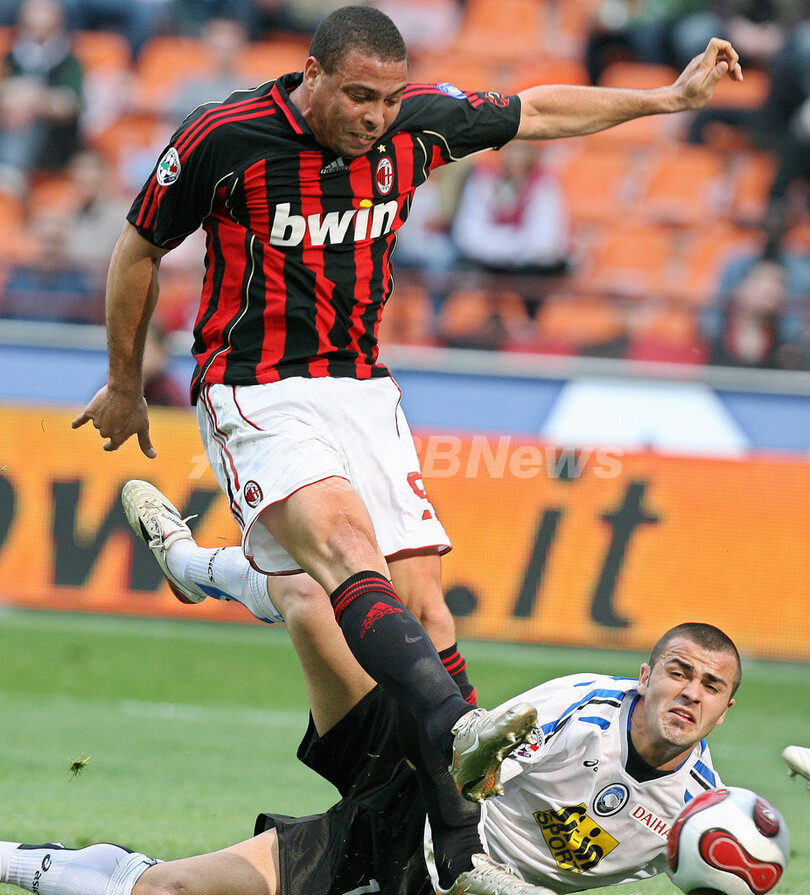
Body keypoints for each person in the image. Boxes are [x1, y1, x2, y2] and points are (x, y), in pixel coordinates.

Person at [70, 0, 743, 851]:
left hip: (362, 386)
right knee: (346, 554)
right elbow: (138, 248)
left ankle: (460, 851)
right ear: (312, 74)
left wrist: (667, 99)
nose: (374, 117)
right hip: (254, 386)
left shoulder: (415, 128)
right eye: (358, 96)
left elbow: (535, 111)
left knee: (422, 611)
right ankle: (461, 735)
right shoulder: (226, 137)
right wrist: (125, 382)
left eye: (388, 100)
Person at [0, 618, 742, 895]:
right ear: (645, 676)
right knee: (171, 890)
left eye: (711, 685)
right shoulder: (583, 709)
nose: (690, 692)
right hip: (416, 822)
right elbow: (465, 774)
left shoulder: (701, 815)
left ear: (726, 708)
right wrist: (465, 865)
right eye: (678, 672)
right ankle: (213, 566)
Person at [0, 0, 83, 195]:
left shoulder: (68, 62)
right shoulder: (11, 59)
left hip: (54, 155)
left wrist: (34, 100)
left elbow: (70, 105)